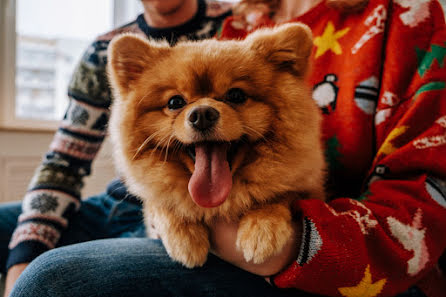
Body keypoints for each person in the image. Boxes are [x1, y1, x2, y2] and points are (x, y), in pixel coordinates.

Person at [2, 0, 445, 297]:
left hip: (299, 243)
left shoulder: (406, 17)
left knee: (53, 280)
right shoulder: (236, 19)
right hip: (148, 200)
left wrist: (283, 234)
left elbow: (426, 199)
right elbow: (70, 158)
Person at [0, 0, 231, 296]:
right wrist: (26, 251)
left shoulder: (236, 25)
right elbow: (64, 162)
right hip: (115, 201)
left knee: (51, 277)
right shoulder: (103, 51)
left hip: (182, 211)